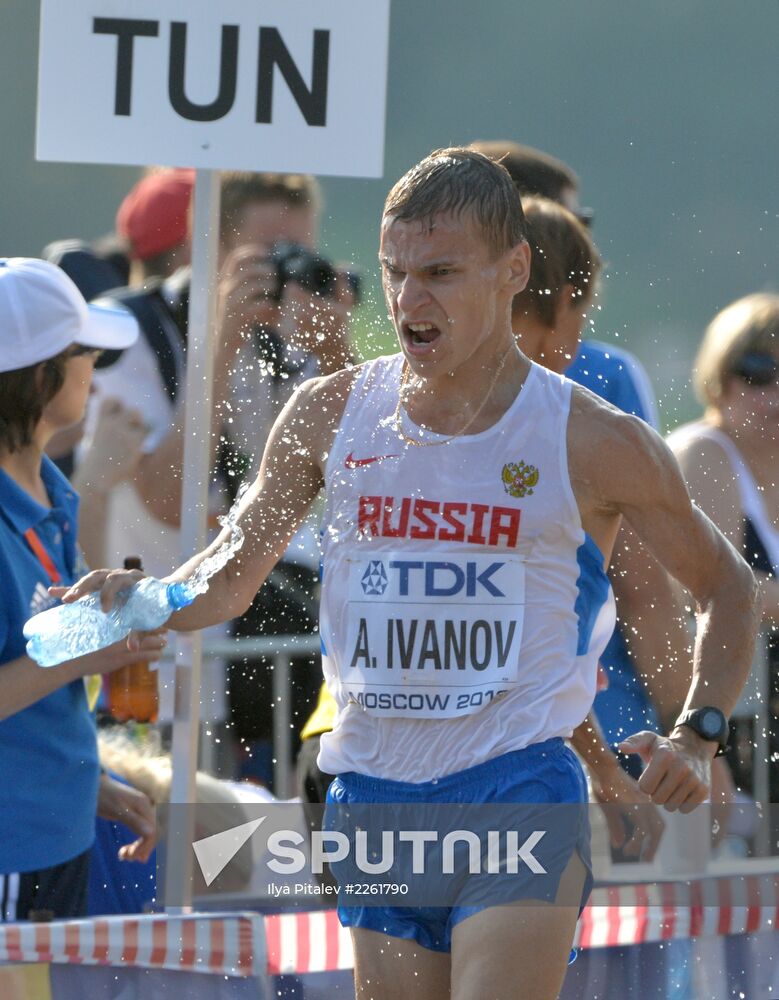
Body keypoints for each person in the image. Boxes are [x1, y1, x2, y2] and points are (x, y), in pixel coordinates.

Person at [61, 150, 759, 1000]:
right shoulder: (328, 412)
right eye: (394, 272)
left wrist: (700, 728)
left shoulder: (590, 437)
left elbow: (721, 586)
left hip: (515, 789)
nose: (407, 301)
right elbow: (226, 578)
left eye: (439, 273)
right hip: (373, 795)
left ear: (513, 271)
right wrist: (137, 599)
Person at [87, 170, 355, 773]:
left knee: (260, 858)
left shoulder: (290, 337)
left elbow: (366, 474)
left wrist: (337, 351)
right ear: (211, 248)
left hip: (266, 663)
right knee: (175, 859)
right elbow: (166, 496)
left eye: (301, 254)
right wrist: (219, 342)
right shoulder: (133, 333)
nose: (287, 273)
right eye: (270, 257)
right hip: (158, 670)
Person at [0, 257, 166, 921]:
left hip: (51, 830)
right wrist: (93, 647)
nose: (96, 373)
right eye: (86, 356)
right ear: (44, 378)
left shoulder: (51, 490)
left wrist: (90, 784)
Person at [668, 293, 779, 806]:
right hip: (720, 713)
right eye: (756, 372)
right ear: (721, 377)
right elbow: (715, 588)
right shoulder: (703, 453)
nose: (772, 393)